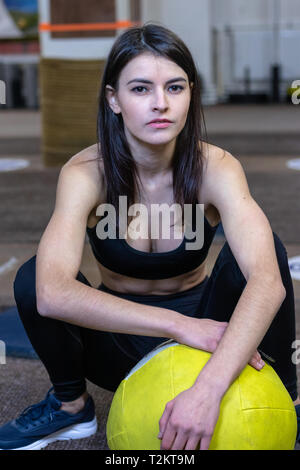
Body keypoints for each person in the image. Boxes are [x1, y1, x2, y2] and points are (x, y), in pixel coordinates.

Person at [0, 23, 299, 451]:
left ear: (191, 93)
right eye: (140, 89)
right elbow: (50, 293)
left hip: (209, 330)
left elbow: (268, 282)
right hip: (119, 342)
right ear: (113, 99)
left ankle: (289, 399)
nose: (161, 104)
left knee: (262, 248)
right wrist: (180, 327)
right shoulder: (86, 173)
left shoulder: (216, 167)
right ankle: (70, 407)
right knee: (34, 277)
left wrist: (209, 388)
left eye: (174, 88)